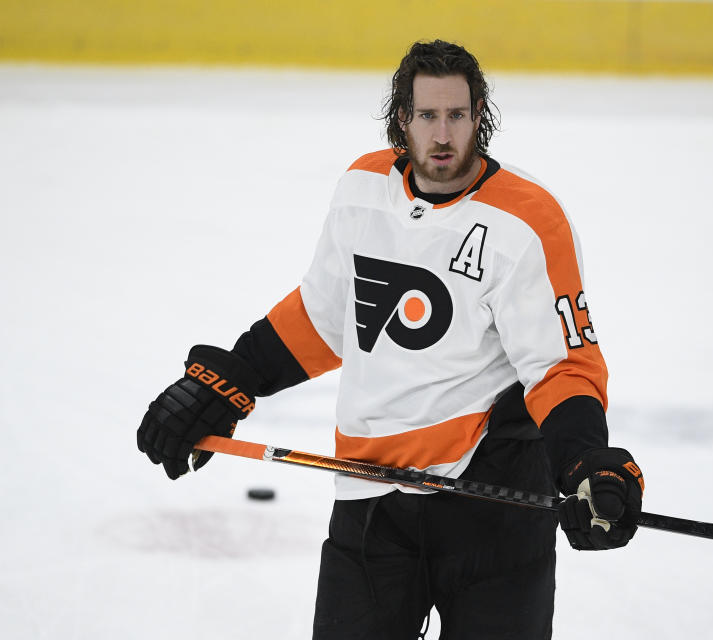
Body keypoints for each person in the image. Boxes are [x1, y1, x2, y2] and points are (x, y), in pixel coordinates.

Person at [137, 39, 644, 639]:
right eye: (426, 115)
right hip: (371, 499)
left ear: (479, 117)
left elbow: (561, 367)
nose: (442, 134)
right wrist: (233, 381)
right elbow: (326, 317)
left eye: (457, 114)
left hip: (494, 505)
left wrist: (585, 459)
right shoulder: (362, 190)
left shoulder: (527, 222)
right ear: (401, 118)